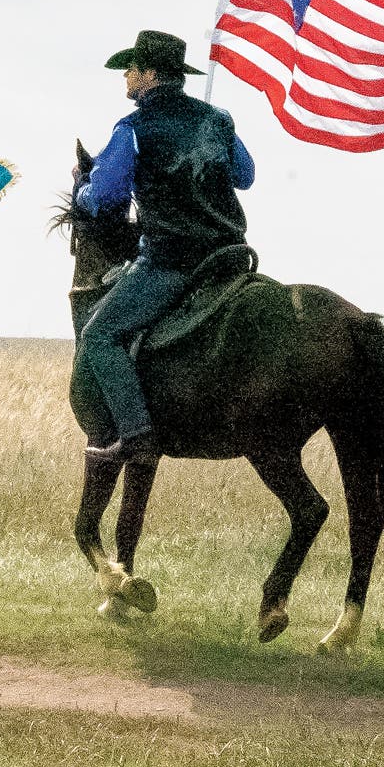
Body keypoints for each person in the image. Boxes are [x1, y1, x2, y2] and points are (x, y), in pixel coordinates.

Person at [72, 29, 255, 466]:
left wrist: (82, 190)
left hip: (172, 261)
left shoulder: (132, 129)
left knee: (99, 336)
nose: (127, 77)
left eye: (132, 69)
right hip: (229, 256)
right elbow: (245, 176)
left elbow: (106, 196)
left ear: (151, 75)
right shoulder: (218, 120)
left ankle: (136, 436)